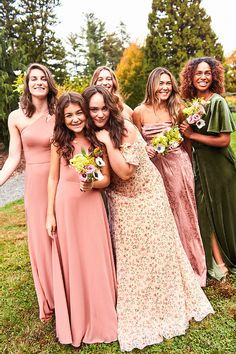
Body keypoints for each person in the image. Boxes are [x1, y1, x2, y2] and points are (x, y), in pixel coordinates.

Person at [83, 85, 214, 352]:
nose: (98, 114)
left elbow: (126, 172)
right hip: (120, 197)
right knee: (132, 255)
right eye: (93, 109)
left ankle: (168, 300)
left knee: (158, 249)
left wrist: (108, 142)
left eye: (103, 108)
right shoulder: (91, 132)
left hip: (146, 193)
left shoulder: (126, 129)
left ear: (111, 106)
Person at [46, 92, 117, 347]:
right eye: (69, 115)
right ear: (62, 119)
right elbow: (53, 178)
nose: (75, 119)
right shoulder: (58, 142)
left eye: (79, 113)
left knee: (94, 258)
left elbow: (106, 179)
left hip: (91, 207)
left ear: (86, 114)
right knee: (73, 260)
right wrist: (49, 214)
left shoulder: (97, 140)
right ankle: (77, 317)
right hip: (66, 209)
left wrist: (91, 183)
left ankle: (101, 316)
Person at [133, 67, 206, 287]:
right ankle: (169, 270)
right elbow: (137, 144)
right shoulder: (139, 112)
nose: (165, 88)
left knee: (184, 215)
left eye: (168, 83)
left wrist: (189, 166)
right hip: (153, 170)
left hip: (177, 166)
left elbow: (187, 141)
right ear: (151, 85)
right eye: (160, 83)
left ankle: (194, 269)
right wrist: (146, 149)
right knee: (161, 217)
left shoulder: (178, 108)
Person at [0, 63, 57, 322]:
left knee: (63, 232)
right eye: (33, 78)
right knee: (42, 239)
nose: (38, 82)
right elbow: (13, 158)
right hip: (35, 183)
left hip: (61, 178)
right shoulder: (16, 117)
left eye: (43, 78)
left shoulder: (60, 111)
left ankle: (69, 290)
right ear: (27, 84)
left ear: (49, 82)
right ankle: (51, 296)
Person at [179, 57, 236, 281]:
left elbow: (223, 140)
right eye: (198, 73)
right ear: (191, 78)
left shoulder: (218, 102)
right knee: (205, 212)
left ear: (213, 77)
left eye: (207, 73)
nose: (203, 77)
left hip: (220, 167)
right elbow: (190, 143)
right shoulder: (191, 105)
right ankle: (217, 262)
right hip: (200, 167)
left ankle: (227, 256)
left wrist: (192, 134)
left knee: (225, 213)